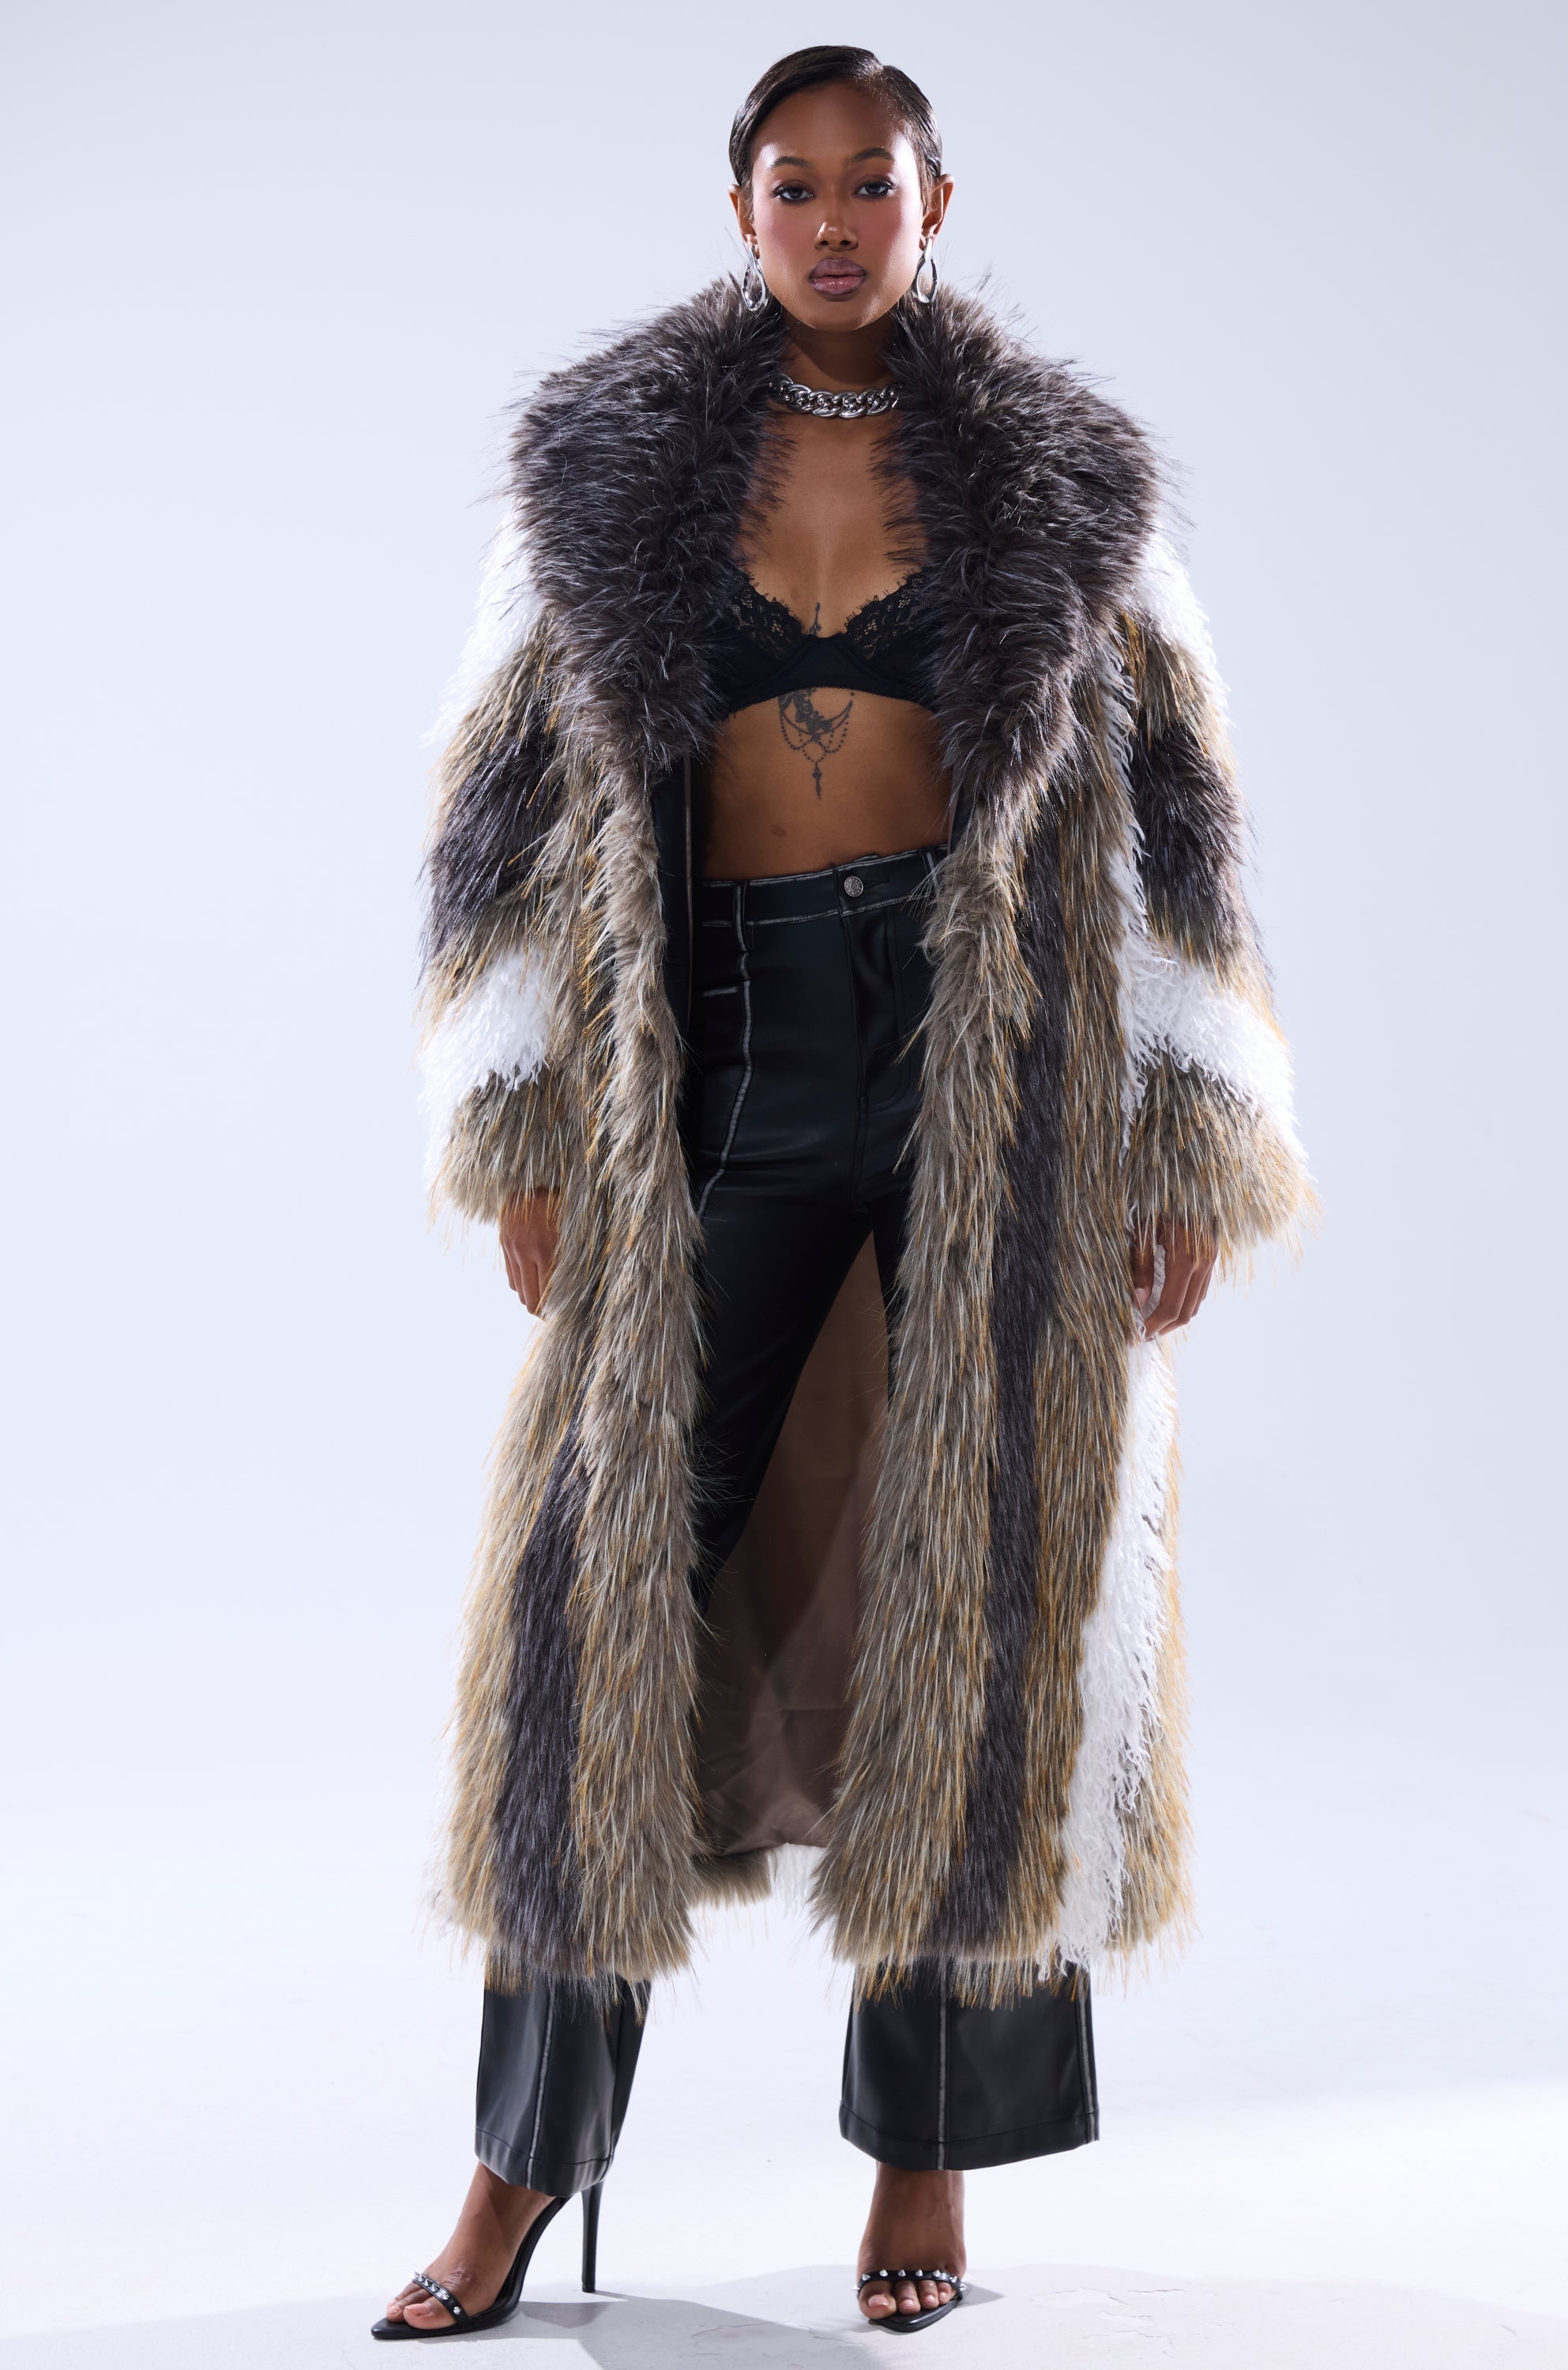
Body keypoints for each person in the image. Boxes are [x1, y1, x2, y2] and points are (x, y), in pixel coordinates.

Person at [377, 43, 1309, 2343]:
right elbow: (496, 822)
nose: (828, 221)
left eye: (867, 183)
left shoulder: (1066, 482)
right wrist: (522, 1122)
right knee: (598, 1616)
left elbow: (1180, 821)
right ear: (740, 210)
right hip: (715, 1071)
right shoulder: (601, 471)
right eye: (789, 186)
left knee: (983, 1600)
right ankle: (516, 2169)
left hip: (992, 1083)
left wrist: (1184, 1127)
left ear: (933, 201)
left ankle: (927, 2158)